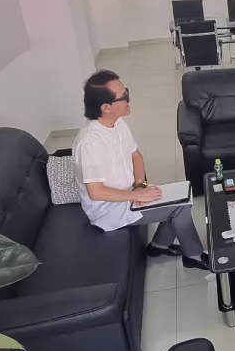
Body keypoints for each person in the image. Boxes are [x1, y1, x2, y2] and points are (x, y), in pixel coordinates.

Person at [73, 70, 209, 269]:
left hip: (129, 192)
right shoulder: (90, 143)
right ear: (106, 107)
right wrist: (134, 195)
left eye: (126, 91)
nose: (129, 98)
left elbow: (137, 156)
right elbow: (96, 192)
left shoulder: (118, 124)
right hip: (108, 210)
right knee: (179, 207)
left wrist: (140, 186)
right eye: (124, 96)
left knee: (182, 194)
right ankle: (193, 256)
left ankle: (159, 246)